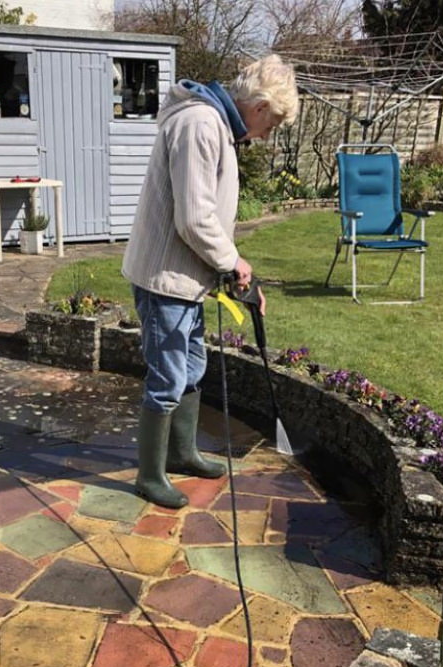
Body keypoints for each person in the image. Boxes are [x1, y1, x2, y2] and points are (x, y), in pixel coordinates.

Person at [122, 55, 299, 509]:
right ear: (259, 107)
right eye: (272, 124)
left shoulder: (213, 125)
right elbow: (195, 219)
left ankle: (182, 453)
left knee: (193, 366)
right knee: (168, 376)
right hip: (166, 279)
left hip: (187, 279)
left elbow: (206, 214)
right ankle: (150, 476)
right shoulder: (200, 124)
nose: (267, 134)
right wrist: (231, 261)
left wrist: (225, 268)